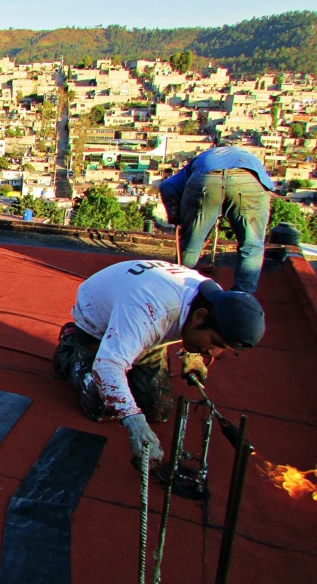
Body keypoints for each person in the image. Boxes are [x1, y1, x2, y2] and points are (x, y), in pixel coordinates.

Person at [53, 259, 265, 469]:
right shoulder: (149, 308)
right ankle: (69, 347)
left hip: (145, 326)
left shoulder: (213, 301)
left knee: (158, 410)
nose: (214, 353)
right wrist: (135, 425)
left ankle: (131, 349)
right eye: (215, 343)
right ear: (200, 317)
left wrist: (191, 354)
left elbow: (189, 324)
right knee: (101, 409)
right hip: (97, 321)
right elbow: (107, 365)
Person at [158, 146, 274, 293]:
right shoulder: (250, 157)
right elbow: (268, 185)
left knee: (191, 243)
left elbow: (167, 186)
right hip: (249, 181)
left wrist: (177, 218)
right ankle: (243, 295)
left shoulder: (200, 158)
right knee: (252, 244)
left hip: (205, 179)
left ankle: (182, 289)